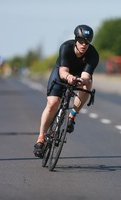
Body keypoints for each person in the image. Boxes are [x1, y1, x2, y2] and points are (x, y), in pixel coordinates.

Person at [33, 24, 99, 157]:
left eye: (87, 42)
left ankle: (72, 116)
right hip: (62, 73)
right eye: (80, 41)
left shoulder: (93, 54)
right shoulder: (66, 47)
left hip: (79, 75)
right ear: (75, 40)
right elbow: (63, 72)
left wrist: (81, 80)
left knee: (88, 85)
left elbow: (86, 76)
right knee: (52, 104)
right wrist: (69, 77)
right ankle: (40, 138)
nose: (83, 45)